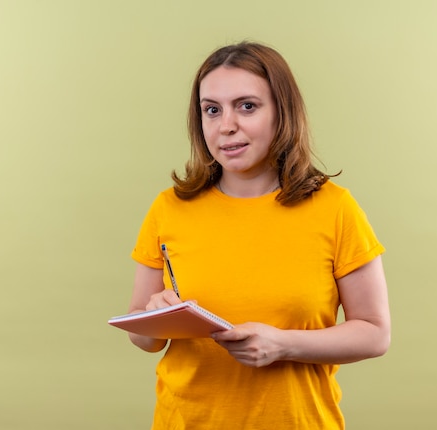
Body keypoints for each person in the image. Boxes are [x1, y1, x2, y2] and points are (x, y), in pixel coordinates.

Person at [125, 41, 391, 430]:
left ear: (282, 112)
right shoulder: (169, 208)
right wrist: (155, 316)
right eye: (211, 110)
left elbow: (374, 334)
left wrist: (284, 344)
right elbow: (143, 338)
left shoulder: (335, 208)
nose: (226, 125)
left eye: (247, 106)